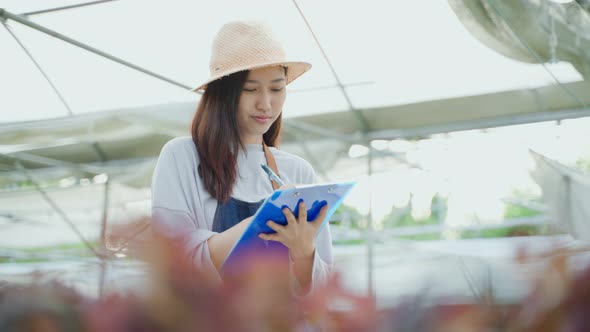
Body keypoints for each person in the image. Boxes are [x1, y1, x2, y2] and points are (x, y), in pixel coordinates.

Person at [151, 21, 333, 295]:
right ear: (223, 93)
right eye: (250, 89)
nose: (266, 104)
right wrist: (262, 223)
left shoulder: (298, 171)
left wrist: (305, 252)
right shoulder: (182, 157)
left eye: (276, 89)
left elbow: (324, 290)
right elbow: (173, 264)